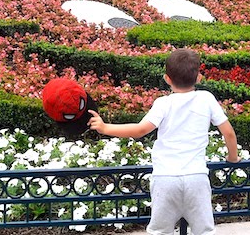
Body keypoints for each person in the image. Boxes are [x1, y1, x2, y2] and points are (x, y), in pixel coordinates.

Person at [88, 48, 240, 235]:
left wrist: (105, 128)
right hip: (196, 178)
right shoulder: (206, 99)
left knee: (160, 231)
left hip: (165, 178)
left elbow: (140, 130)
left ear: (167, 79)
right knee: (204, 231)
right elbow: (229, 133)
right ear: (199, 77)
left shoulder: (163, 103)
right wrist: (233, 158)